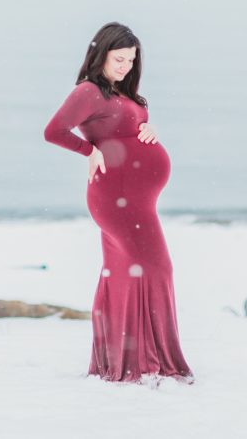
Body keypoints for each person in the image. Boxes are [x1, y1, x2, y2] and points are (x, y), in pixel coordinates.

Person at [43, 21, 195, 386]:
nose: (126, 66)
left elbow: (125, 127)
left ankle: (123, 361)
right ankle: (150, 360)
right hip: (118, 199)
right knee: (157, 269)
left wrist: (150, 130)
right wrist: (89, 150)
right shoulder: (89, 91)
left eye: (131, 60)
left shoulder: (118, 92)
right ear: (101, 55)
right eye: (119, 59)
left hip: (136, 197)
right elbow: (54, 131)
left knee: (123, 274)